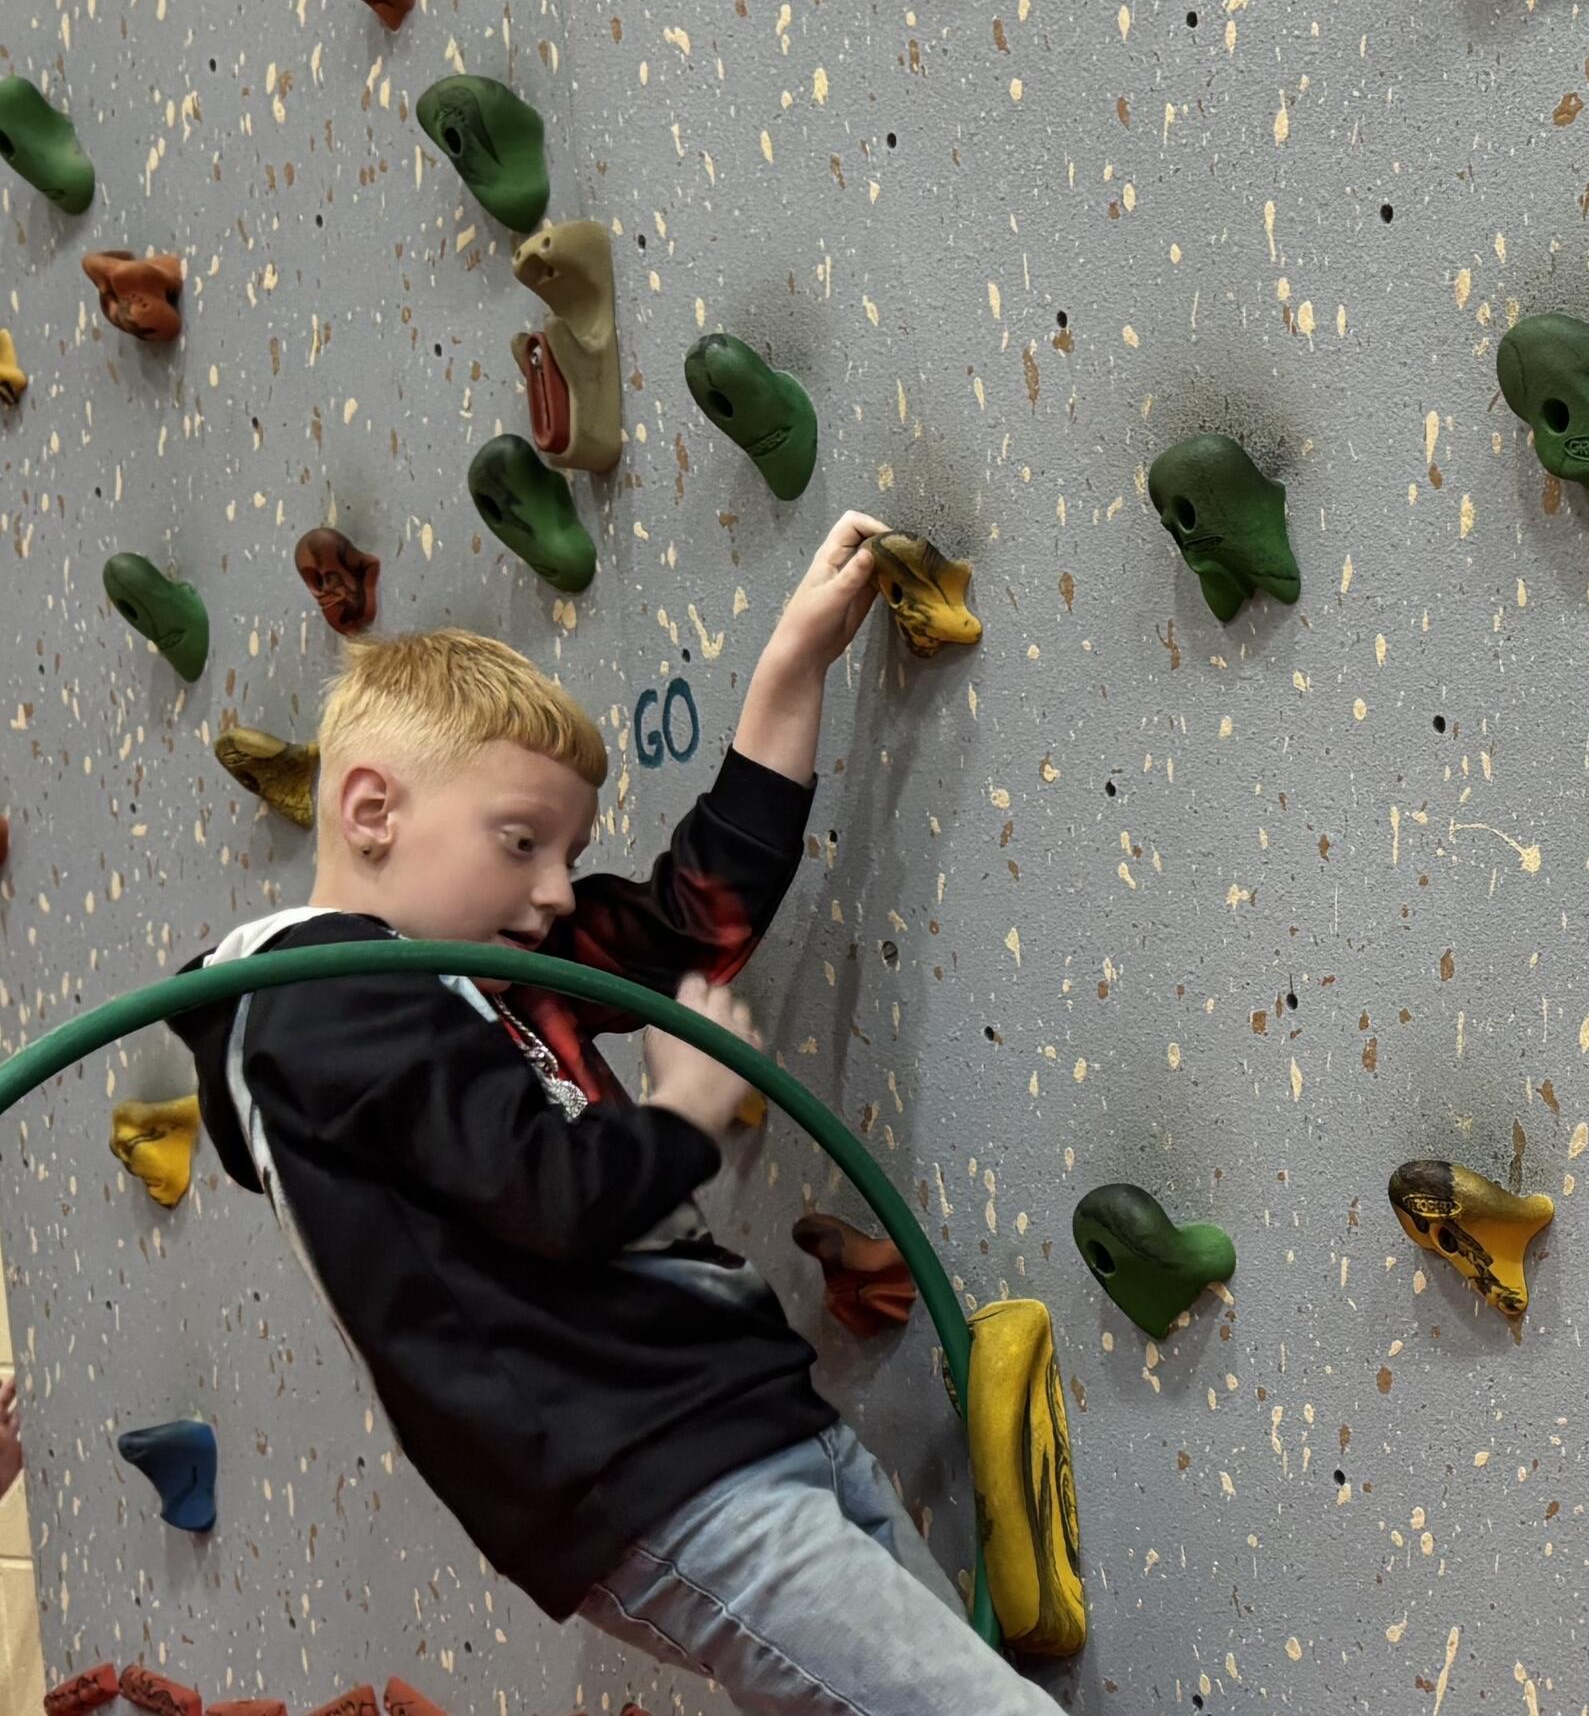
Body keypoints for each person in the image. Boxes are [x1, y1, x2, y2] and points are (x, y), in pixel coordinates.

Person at [165, 517, 1057, 1716]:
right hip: (647, 1465)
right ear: (372, 809)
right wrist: (680, 1115)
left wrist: (791, 668)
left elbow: (693, 914)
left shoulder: (477, 963)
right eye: (521, 842)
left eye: (568, 851)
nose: (552, 890)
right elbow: (544, 1190)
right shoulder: (317, 1006)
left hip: (743, 1413)